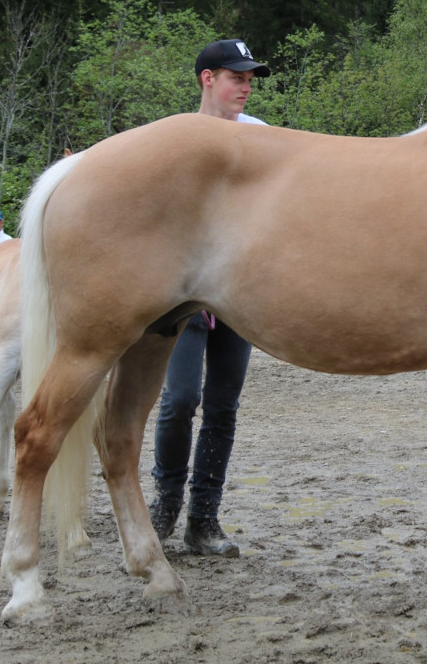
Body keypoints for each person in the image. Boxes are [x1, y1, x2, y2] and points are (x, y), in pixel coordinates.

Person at [148, 39, 270, 557]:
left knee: (223, 406)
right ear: (207, 79)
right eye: (236, 77)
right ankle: (165, 504)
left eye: (249, 79)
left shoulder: (262, 137)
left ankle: (204, 519)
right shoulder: (178, 137)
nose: (246, 87)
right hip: (184, 295)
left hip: (239, 293)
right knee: (179, 400)